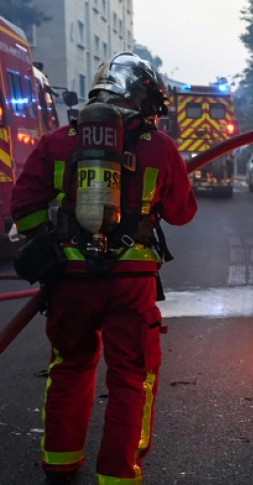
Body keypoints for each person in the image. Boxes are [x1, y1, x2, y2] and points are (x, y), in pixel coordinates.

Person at [11, 52, 198, 484]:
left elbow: (25, 207)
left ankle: (60, 462)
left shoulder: (59, 141)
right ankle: (118, 473)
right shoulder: (160, 147)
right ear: (141, 97)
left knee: (70, 367)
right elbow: (182, 213)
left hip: (70, 282)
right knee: (132, 376)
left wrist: (52, 251)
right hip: (131, 284)